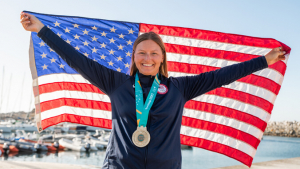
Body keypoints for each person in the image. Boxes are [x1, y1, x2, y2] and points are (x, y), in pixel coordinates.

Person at [20, 12, 286, 169]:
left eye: (154, 53)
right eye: (142, 53)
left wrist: (264, 61)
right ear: (134, 56)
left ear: (162, 58)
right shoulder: (116, 83)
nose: (147, 58)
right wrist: (41, 30)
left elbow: (222, 75)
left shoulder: (180, 88)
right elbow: (76, 58)